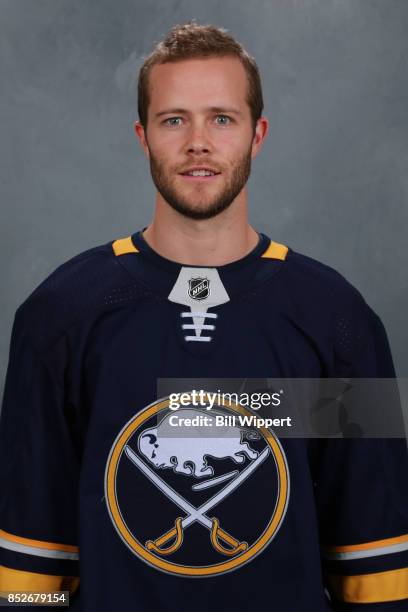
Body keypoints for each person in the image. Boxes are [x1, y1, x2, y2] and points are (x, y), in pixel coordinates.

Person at [0, 21, 407, 612]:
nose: (198, 142)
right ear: (143, 136)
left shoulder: (341, 320)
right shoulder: (57, 315)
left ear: (257, 134)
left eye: (221, 117)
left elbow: (378, 558)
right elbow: (29, 568)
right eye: (174, 120)